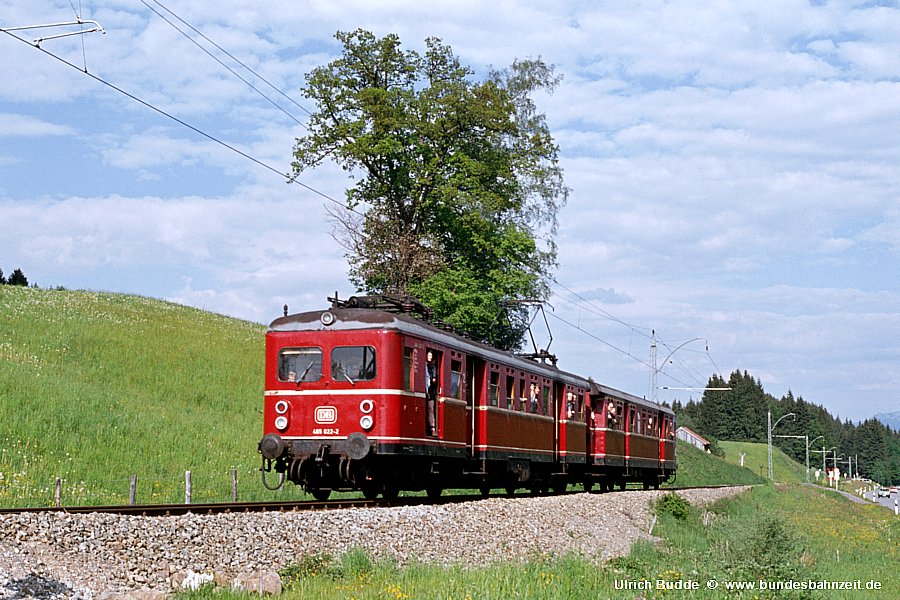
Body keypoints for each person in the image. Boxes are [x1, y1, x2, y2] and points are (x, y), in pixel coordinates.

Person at [425, 350, 439, 436]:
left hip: (431, 390)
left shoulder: (433, 367)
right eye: (428, 355)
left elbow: (434, 380)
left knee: (430, 408)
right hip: (426, 389)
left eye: (431, 356)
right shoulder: (424, 366)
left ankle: (432, 427)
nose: (429, 357)